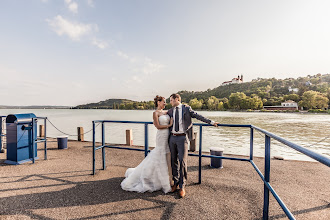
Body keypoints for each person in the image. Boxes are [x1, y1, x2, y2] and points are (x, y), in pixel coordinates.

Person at [168, 93, 218, 198]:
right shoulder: (170, 111)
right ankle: (175, 182)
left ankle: (182, 186)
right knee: (173, 160)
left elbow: (197, 116)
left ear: (177, 99)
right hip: (172, 138)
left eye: (171, 100)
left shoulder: (186, 108)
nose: (170, 102)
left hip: (182, 138)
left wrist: (211, 122)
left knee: (182, 161)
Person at [121, 95, 173, 193]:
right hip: (161, 135)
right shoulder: (155, 113)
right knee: (159, 154)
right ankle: (156, 180)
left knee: (167, 157)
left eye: (165, 102)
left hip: (168, 136)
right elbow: (157, 126)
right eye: (164, 101)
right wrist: (169, 125)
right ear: (158, 102)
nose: (165, 103)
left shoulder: (167, 112)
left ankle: (168, 180)